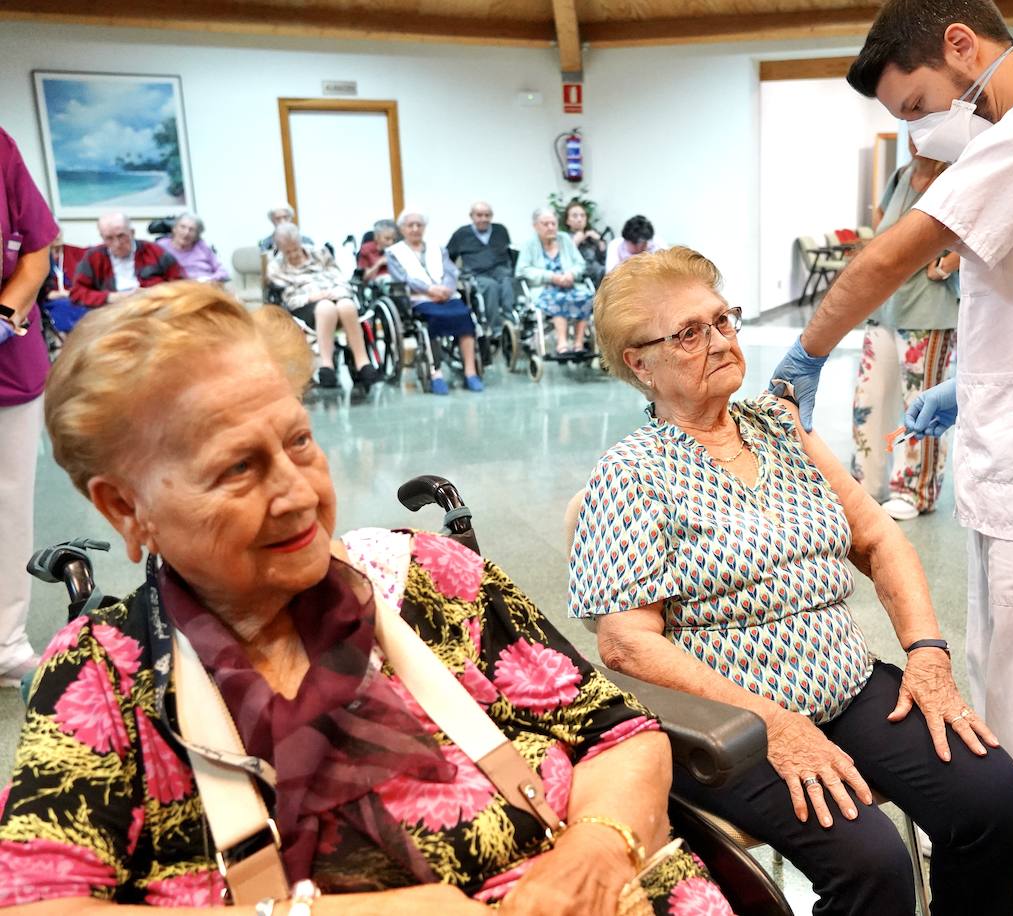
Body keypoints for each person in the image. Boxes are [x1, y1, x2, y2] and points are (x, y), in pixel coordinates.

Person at [0, 282, 734, 915]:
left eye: (298, 443)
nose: (297, 494)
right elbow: (41, 902)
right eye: (237, 469)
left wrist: (597, 852)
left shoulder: (427, 575)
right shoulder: (104, 679)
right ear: (126, 509)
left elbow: (617, 734)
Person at [766, 3, 1013, 913]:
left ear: (961, 46)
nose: (919, 128)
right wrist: (975, 390)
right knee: (1012, 695)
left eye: (916, 106)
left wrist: (805, 357)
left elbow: (890, 259)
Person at [572, 246, 1013, 916]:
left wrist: (927, 654)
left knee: (992, 801)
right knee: (874, 865)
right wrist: (773, 722)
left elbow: (877, 538)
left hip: (840, 681)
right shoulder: (632, 472)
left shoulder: (778, 427)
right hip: (728, 721)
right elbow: (625, 643)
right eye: (691, 333)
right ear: (639, 365)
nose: (722, 340)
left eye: (722, 321)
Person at [852, 146, 960, 520]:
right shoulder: (900, 176)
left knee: (921, 401)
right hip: (883, 305)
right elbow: (882, 221)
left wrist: (947, 265)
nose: (915, 137)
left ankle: (914, 490)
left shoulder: (957, 173)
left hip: (929, 308)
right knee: (869, 396)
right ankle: (865, 483)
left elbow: (982, 226)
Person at [0, 127, 58, 690]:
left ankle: (5, 643)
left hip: (6, 356)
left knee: (8, 501)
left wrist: (4, 312)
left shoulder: (1, 148)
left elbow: (35, 251)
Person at [266, 222, 378, 395]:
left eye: (295, 248)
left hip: (335, 295)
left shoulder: (320, 253)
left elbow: (339, 277)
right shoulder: (275, 266)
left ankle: (362, 362)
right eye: (287, 252)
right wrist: (312, 297)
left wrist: (337, 292)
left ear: (300, 242)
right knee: (326, 308)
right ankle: (327, 365)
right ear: (279, 248)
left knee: (347, 305)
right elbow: (288, 298)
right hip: (306, 306)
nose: (294, 254)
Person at [387, 209, 481, 394]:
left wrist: (446, 288)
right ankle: (435, 372)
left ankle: (471, 373)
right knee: (433, 318)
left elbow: (451, 271)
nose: (415, 229)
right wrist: (429, 289)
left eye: (419, 225)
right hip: (419, 298)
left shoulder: (437, 248)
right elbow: (402, 278)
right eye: (410, 225)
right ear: (402, 229)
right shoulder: (394, 252)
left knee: (464, 315)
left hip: (446, 295)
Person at [67, 213, 183, 327]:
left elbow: (181, 284)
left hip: (153, 310)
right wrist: (111, 297)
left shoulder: (154, 251)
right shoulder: (94, 257)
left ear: (132, 233)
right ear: (102, 237)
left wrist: (153, 293)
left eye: (121, 236)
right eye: (109, 238)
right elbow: (77, 293)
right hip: (112, 315)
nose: (117, 244)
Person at [516, 207, 592, 356]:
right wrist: (550, 276)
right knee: (558, 299)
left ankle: (578, 343)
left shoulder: (564, 239)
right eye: (545, 224)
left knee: (587, 297)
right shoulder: (529, 244)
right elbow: (523, 269)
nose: (551, 227)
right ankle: (562, 343)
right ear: (535, 226)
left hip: (570, 285)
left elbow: (580, 264)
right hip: (544, 288)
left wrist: (571, 274)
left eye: (553, 223)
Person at [445, 202, 516, 325]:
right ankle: (496, 328)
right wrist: (456, 275)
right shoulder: (461, 234)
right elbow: (448, 258)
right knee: (490, 286)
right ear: (471, 216)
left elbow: (510, 253)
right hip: (477, 274)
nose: (483, 219)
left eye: (487, 215)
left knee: (507, 283)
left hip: (500, 271)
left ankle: (511, 323)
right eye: (479, 215)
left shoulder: (500, 230)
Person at [157, 211, 230, 283]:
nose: (186, 233)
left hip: (207, 285)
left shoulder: (202, 246)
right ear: (174, 229)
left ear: (197, 235)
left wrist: (210, 279)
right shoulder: (161, 246)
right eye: (182, 227)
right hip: (178, 287)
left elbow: (223, 272)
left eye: (191, 230)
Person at [38, 229, 86, 335]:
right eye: (53, 230)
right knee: (65, 307)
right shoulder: (39, 257)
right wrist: (60, 294)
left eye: (59, 230)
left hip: (76, 298)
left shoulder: (76, 252)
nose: (57, 235)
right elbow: (43, 292)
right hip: (51, 302)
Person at [566, 201, 606, 287]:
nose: (579, 219)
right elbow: (565, 260)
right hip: (582, 275)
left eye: (582, 215)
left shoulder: (591, 234)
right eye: (575, 216)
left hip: (600, 273)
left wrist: (599, 241)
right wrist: (576, 242)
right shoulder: (564, 238)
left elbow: (603, 259)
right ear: (567, 221)